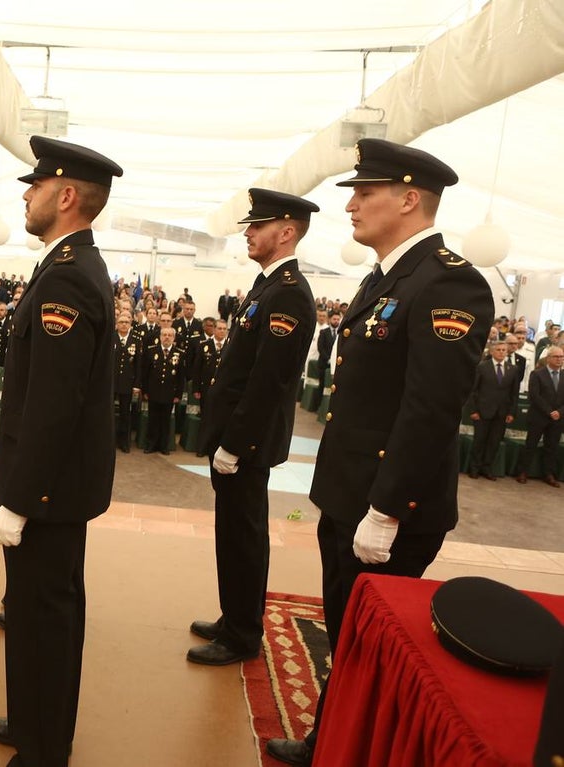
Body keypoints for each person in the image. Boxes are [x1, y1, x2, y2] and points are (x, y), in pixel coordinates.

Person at [266, 139, 492, 766]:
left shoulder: (450, 283)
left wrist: (388, 509)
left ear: (410, 198)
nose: (352, 206)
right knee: (348, 637)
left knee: (372, 643)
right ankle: (336, 741)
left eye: (366, 193)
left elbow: (431, 410)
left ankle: (348, 749)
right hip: (349, 494)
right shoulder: (389, 276)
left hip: (390, 506)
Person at [0, 135, 122, 767]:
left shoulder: (67, 277)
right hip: (58, 486)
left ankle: (43, 749)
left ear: (66, 197)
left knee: (44, 617)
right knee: (44, 612)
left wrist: (20, 499)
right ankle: (37, 723)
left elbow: (52, 404)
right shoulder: (66, 264)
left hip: (49, 491)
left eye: (35, 187)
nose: (27, 197)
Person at [188, 189, 317, 667]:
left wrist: (236, 444)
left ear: (285, 232)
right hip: (235, 438)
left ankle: (242, 635)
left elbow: (268, 381)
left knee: (244, 537)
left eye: (257, 226)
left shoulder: (287, 293)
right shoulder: (268, 286)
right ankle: (232, 616)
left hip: (247, 444)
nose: (247, 232)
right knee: (232, 534)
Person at [466, 339, 521, 480]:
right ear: (492, 351)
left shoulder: (513, 369)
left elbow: (514, 393)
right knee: (479, 441)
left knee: (494, 443)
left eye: (504, 350)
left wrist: (511, 412)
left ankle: (487, 468)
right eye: (499, 350)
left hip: (502, 413)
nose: (502, 352)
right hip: (482, 411)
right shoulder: (482, 367)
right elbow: (473, 391)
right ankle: (474, 468)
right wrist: (473, 410)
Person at [514, 346, 564, 487]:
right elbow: (535, 396)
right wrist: (549, 411)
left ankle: (548, 474)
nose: (560, 359)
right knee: (531, 445)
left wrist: (559, 412)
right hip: (539, 416)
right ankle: (523, 472)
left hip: (558, 418)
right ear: (548, 358)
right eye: (556, 357)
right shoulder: (537, 374)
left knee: (552, 447)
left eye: (562, 357)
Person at [140, 325, 184, 455]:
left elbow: (181, 376)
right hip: (153, 392)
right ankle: (151, 445)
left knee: (166, 421)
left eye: (170, 335)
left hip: (169, 393)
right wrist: (145, 391)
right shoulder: (151, 351)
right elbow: (145, 373)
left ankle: (163, 446)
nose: (167, 337)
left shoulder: (179, 353)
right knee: (153, 419)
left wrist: (178, 394)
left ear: (174, 338)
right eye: (164, 335)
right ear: (160, 337)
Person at [113, 312, 142, 453]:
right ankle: (109, 441)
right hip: (111, 383)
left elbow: (138, 364)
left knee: (125, 414)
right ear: (117, 324)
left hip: (127, 383)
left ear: (130, 324)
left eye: (126, 322)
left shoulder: (136, 340)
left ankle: (124, 442)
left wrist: (137, 384)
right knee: (108, 413)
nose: (124, 324)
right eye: (121, 322)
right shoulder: (110, 337)